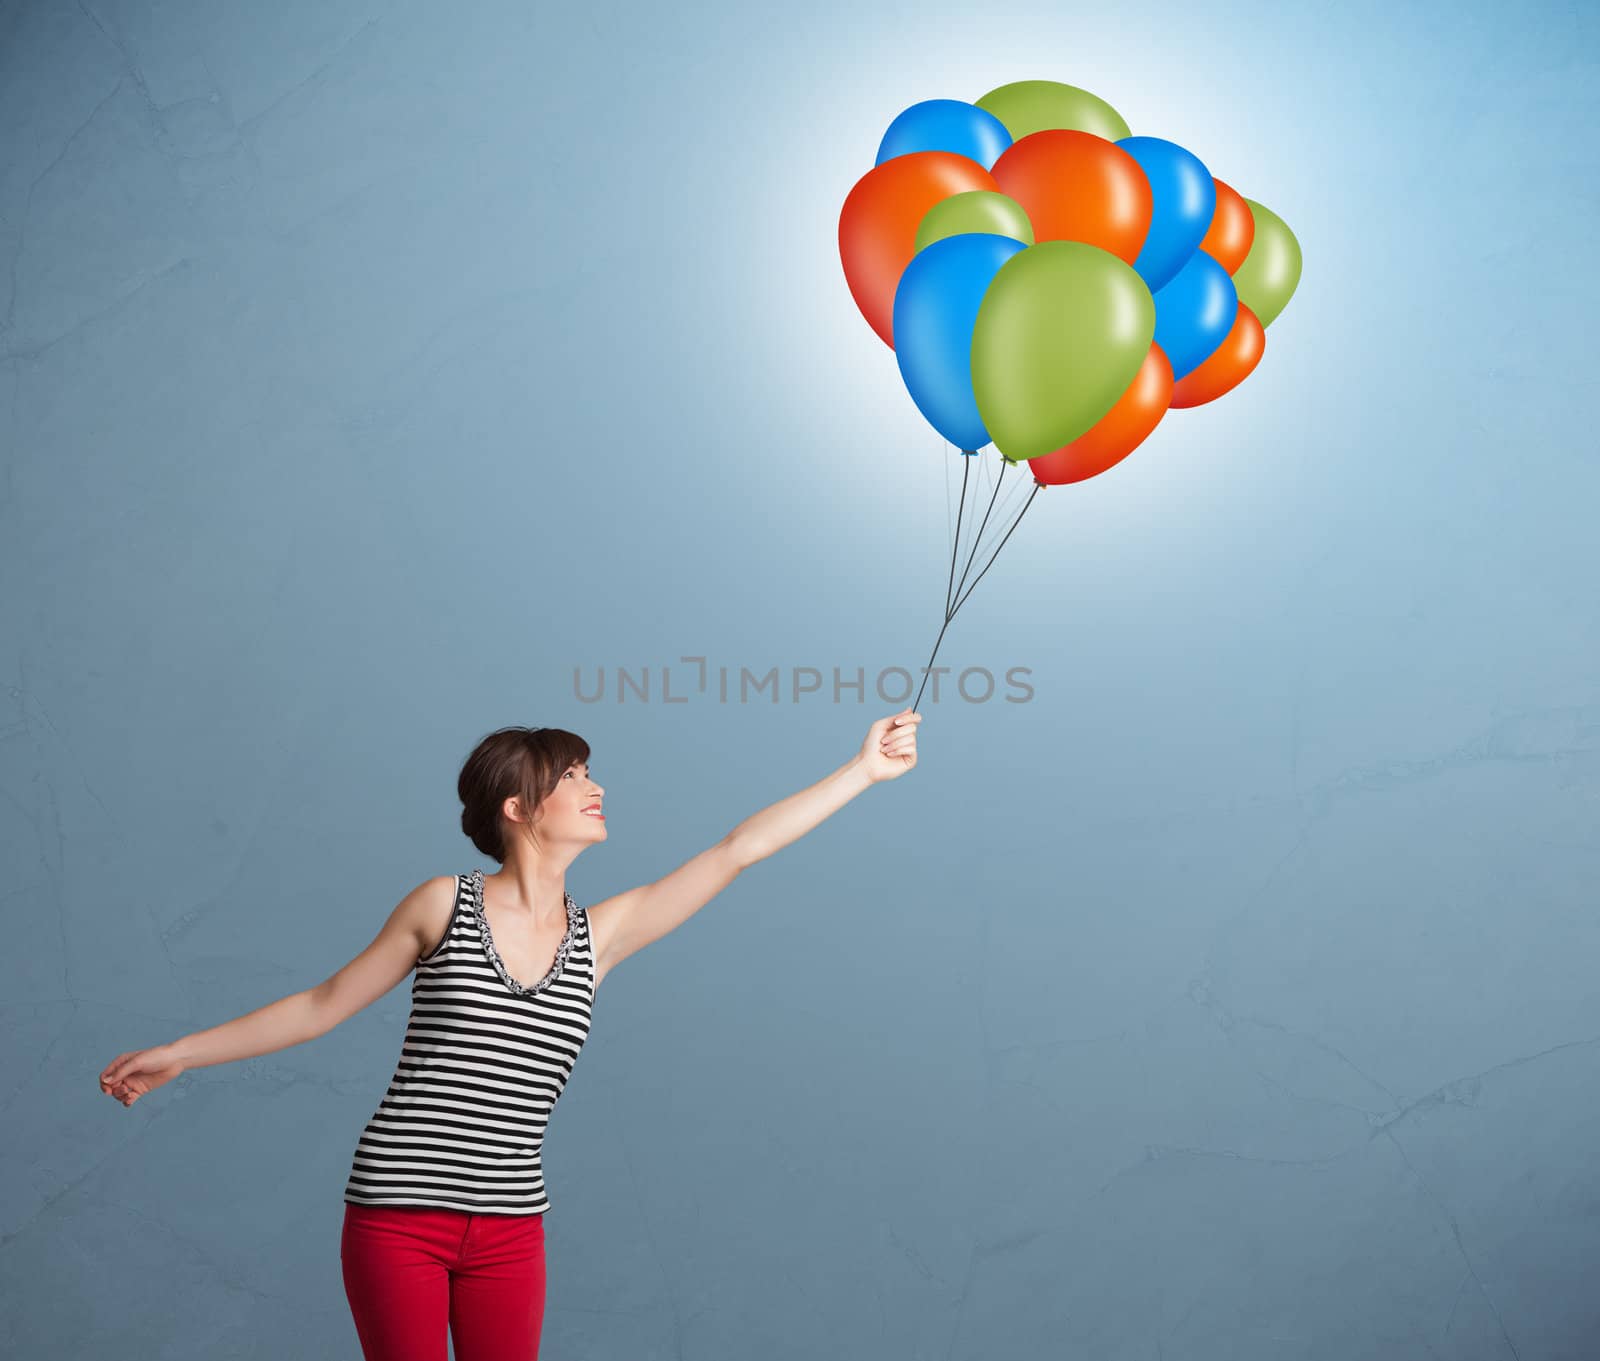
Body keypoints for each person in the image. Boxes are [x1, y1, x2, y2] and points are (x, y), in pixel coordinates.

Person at [97, 708, 922, 1360]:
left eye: (592, 773)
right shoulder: (441, 903)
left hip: (510, 1227)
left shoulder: (603, 936)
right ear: (519, 807)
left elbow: (739, 849)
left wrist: (862, 771)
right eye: (574, 777)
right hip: (398, 1213)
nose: (596, 787)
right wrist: (181, 1052)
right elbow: (322, 1004)